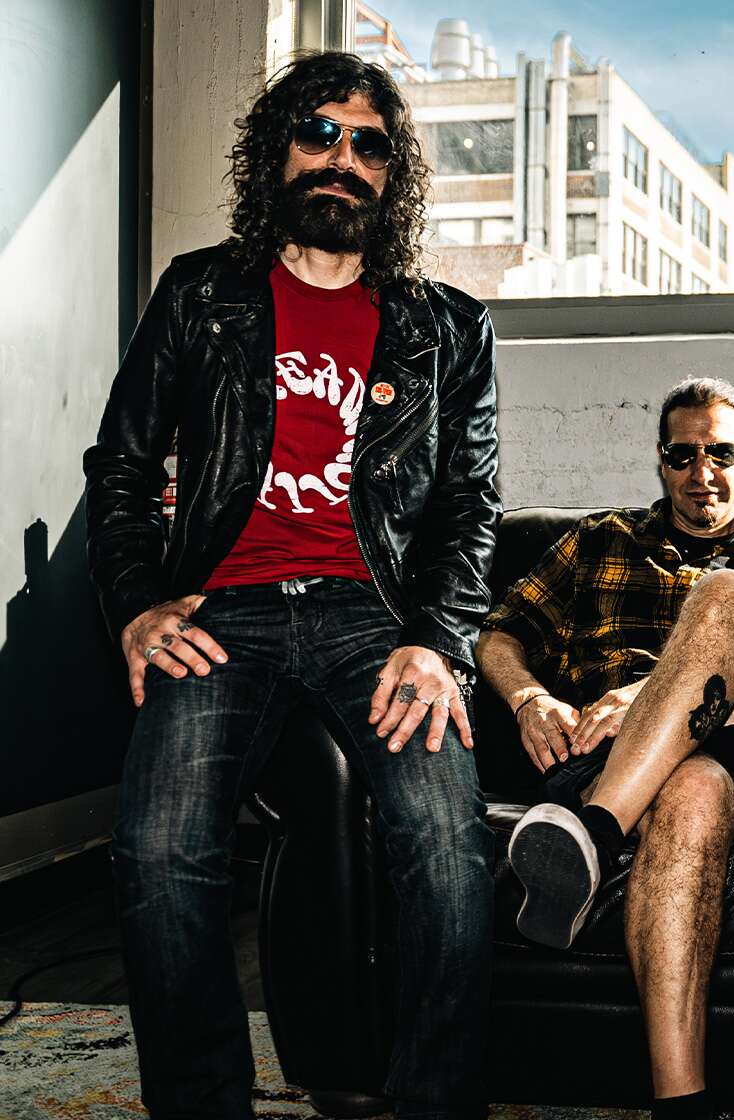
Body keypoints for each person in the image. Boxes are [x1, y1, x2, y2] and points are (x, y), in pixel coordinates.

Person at [84, 52, 501, 1119]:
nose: (341, 158)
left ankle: (434, 1102)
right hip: (224, 610)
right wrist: (136, 604)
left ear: (392, 175)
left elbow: (470, 507)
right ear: (276, 150)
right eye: (319, 132)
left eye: (369, 144)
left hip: (378, 617)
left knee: (448, 847)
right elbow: (121, 467)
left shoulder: (449, 327)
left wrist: (438, 642)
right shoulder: (200, 294)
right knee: (160, 848)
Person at [476, 377, 734, 1120]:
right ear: (661, 460)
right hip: (608, 756)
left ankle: (592, 835)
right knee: (692, 789)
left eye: (720, 453)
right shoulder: (598, 539)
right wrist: (529, 698)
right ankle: (681, 1102)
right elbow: (498, 633)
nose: (702, 473)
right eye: (682, 455)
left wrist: (645, 695)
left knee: (730, 594)